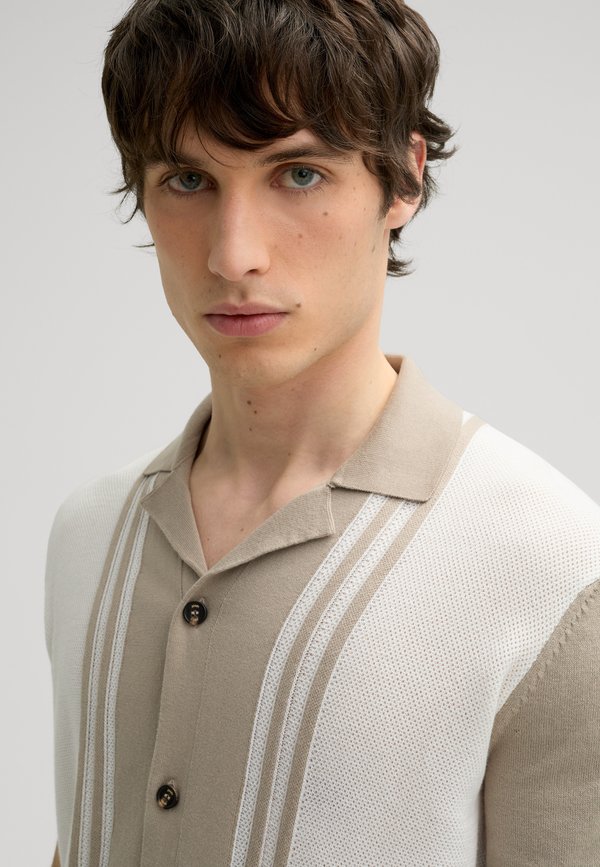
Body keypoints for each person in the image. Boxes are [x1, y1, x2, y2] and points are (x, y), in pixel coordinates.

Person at [44, 1, 600, 865]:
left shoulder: (551, 566)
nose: (234, 255)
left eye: (298, 174)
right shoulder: (90, 532)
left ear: (403, 178)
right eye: (187, 180)